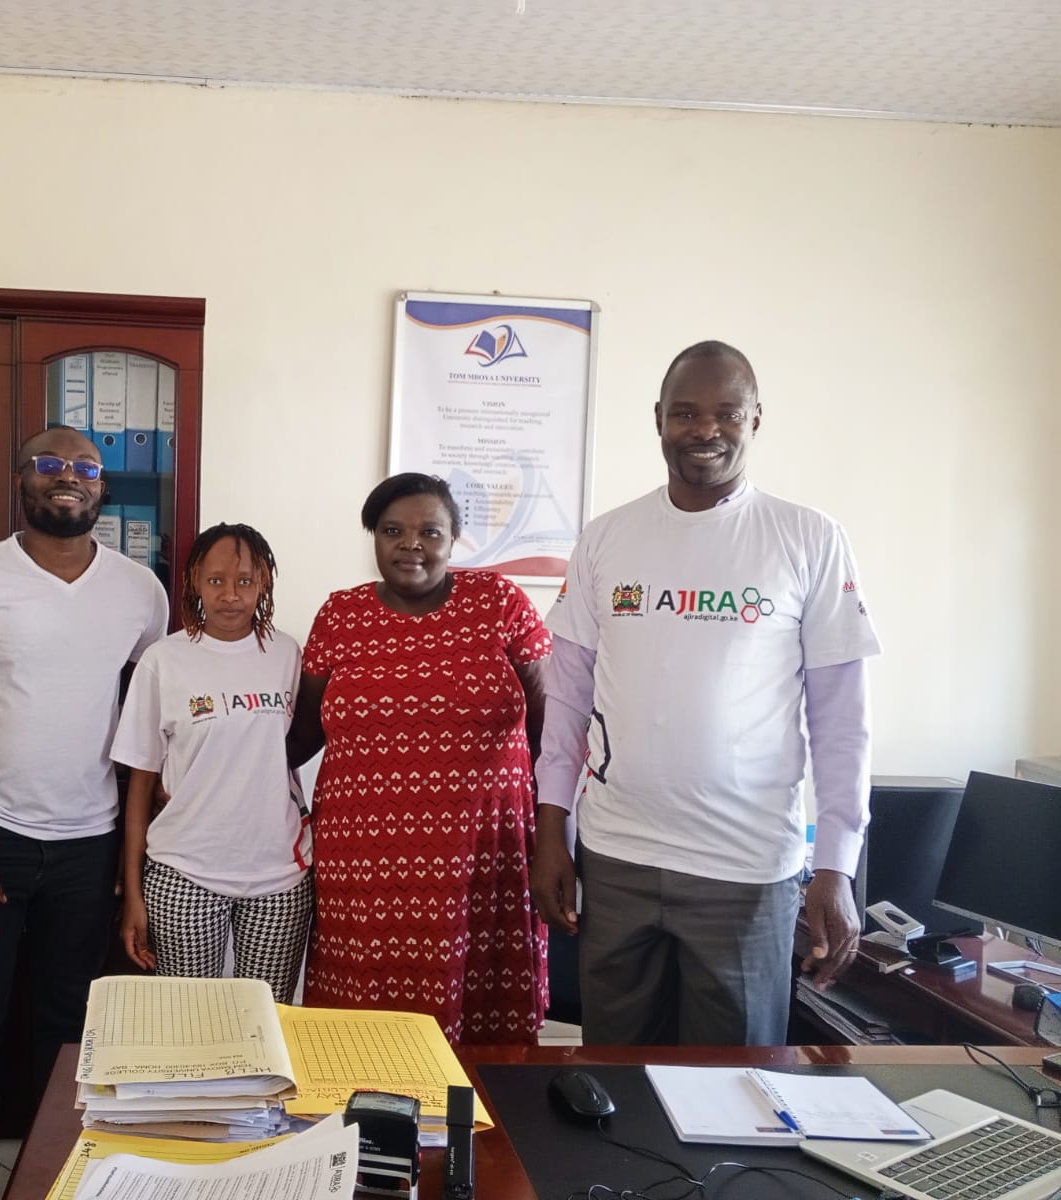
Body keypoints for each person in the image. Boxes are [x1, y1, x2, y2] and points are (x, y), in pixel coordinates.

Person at [531, 340, 880, 1046]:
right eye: (686, 413)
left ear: (756, 420)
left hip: (745, 871)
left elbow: (842, 724)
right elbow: (566, 701)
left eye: (726, 412)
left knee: (735, 1097)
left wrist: (837, 866)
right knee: (611, 1085)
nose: (705, 430)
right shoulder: (607, 539)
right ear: (659, 418)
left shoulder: (808, 538)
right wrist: (551, 829)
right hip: (618, 855)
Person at [0, 425, 168, 1200]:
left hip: (90, 843)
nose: (68, 477)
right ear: (19, 479)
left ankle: (56, 1177)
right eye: (48, 463)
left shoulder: (138, 591)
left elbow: (153, 719)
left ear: (102, 486)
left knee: (69, 1028)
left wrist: (137, 855)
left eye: (83, 467)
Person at [289, 473, 553, 1044]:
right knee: (362, 1024)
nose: (412, 544)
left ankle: (480, 1131)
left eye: (430, 531)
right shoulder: (341, 615)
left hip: (484, 853)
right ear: (374, 539)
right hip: (364, 861)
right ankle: (358, 1128)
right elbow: (301, 736)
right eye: (392, 530)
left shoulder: (500, 603)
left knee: (482, 1026)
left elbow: (550, 728)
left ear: (454, 539)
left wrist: (558, 832)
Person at [113, 523, 313, 1004]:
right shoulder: (164, 661)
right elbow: (141, 783)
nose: (230, 595)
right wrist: (133, 892)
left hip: (278, 876)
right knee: (188, 1022)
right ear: (195, 581)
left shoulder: (287, 654)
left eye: (245, 580)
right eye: (217, 580)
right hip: (184, 869)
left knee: (268, 1022)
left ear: (264, 582)